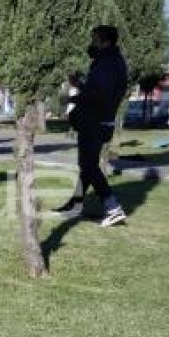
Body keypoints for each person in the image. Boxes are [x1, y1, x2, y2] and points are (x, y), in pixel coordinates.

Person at [55, 25, 129, 227]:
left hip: (96, 121)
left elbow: (100, 96)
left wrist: (74, 98)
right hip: (98, 120)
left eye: (95, 40)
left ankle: (113, 208)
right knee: (86, 166)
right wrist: (80, 84)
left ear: (104, 41)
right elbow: (98, 89)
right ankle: (75, 204)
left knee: (89, 166)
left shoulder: (108, 63)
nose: (92, 44)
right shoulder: (109, 62)